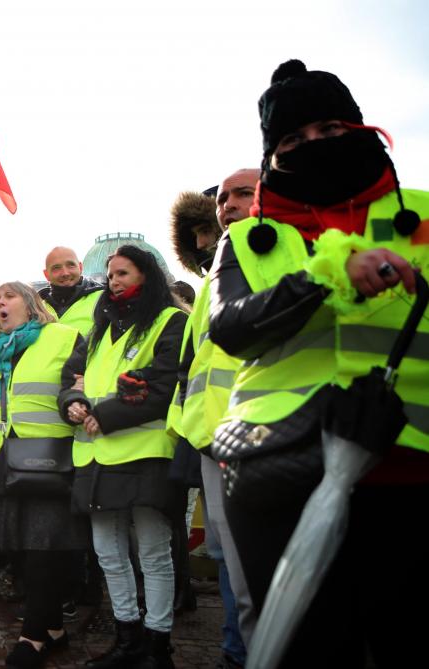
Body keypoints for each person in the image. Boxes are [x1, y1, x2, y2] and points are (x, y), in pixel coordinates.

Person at [208, 60, 429, 667]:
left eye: (331, 128)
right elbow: (231, 328)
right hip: (280, 468)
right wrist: (324, 277)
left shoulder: (426, 211)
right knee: (310, 651)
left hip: (411, 472)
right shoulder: (250, 238)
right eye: (292, 140)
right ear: (272, 155)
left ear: (362, 129)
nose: (315, 145)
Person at [60, 246, 187, 669]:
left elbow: (164, 383)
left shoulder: (171, 321)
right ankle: (127, 639)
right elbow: (73, 378)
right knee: (108, 554)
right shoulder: (99, 331)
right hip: (97, 458)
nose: (113, 280)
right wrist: (74, 403)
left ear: (146, 276)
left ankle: (157, 646)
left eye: (123, 272)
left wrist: (105, 414)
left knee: (152, 552)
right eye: (110, 274)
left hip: (145, 453)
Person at [167, 170, 259, 669]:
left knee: (249, 562)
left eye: (243, 195)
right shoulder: (209, 286)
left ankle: (244, 651)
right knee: (228, 559)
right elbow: (196, 367)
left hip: (258, 432)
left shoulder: (266, 255)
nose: (228, 208)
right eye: (222, 201)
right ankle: (235, 649)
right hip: (211, 440)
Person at [0, 281, 87, 668]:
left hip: (51, 456)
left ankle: (33, 635)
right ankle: (53, 627)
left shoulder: (63, 336)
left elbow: (79, 387)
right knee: (20, 546)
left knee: (43, 545)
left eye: (10, 296)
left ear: (31, 302)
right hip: (8, 456)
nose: (0, 303)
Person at [39, 247, 104, 335]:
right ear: (46, 274)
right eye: (56, 268)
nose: (65, 273)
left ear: (80, 267)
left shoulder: (103, 299)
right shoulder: (36, 308)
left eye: (71, 265)